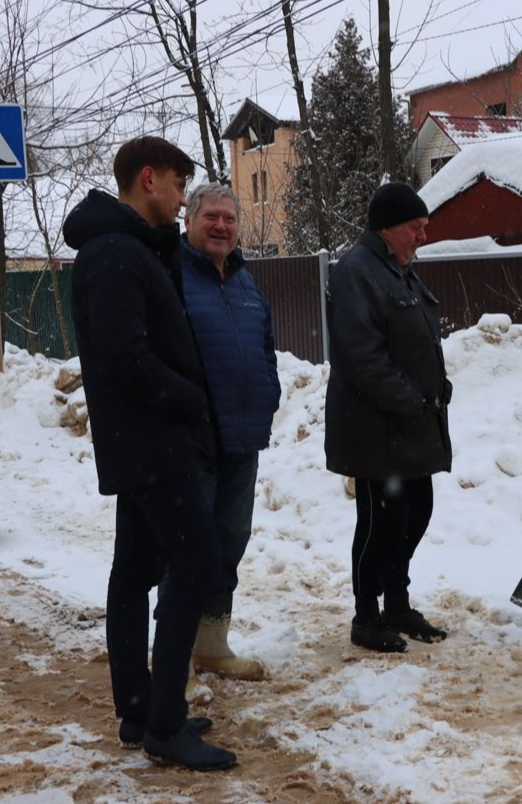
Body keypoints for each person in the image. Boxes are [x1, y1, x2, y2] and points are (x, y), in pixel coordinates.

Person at [64, 137, 237, 770]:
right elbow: (123, 360)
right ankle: (164, 723)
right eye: (177, 180)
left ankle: (139, 711)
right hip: (153, 443)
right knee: (196, 567)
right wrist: (191, 398)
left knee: (134, 576)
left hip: (143, 443)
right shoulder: (114, 256)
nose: (183, 193)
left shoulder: (130, 250)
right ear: (147, 179)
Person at [324, 181, 453, 654]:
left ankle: (397, 603)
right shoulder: (356, 272)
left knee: (415, 514)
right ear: (388, 228)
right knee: (380, 522)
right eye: (416, 228)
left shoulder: (398, 271)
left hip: (411, 424)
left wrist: (436, 391)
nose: (423, 237)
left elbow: (414, 340)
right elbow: (364, 358)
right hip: (375, 429)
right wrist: (411, 402)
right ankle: (366, 615)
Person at [179, 182, 280, 690]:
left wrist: (269, 394)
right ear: (189, 221)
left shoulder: (245, 282)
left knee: (229, 543)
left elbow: (265, 346)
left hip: (244, 439)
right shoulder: (173, 276)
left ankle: (213, 647)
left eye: (229, 219)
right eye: (211, 217)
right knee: (189, 548)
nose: (221, 226)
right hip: (194, 444)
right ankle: (174, 656)